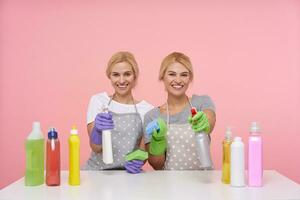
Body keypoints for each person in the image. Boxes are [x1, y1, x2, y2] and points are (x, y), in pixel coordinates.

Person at [83, 51, 153, 173]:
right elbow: (96, 148)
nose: (121, 80)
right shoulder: (99, 101)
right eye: (116, 75)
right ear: (109, 76)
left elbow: (143, 151)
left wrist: (139, 161)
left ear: (134, 76)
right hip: (96, 173)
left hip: (127, 175)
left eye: (127, 74)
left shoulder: (147, 110)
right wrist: (98, 132)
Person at [144, 52, 216, 170]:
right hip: (169, 184)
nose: (178, 80)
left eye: (184, 75)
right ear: (163, 77)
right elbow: (157, 165)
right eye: (172, 74)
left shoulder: (201, 102)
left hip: (203, 182)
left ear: (190, 78)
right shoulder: (152, 116)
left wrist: (205, 122)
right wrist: (157, 140)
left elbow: (210, 119)